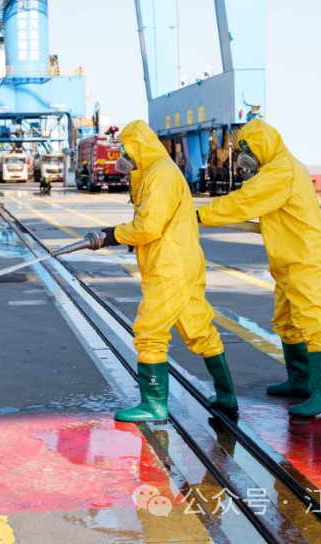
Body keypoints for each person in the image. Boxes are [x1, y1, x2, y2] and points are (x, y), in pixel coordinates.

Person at [90, 120, 237, 422]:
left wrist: (114, 234)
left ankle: (154, 404)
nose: (124, 155)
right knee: (199, 328)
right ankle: (226, 395)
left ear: (138, 146)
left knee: (149, 332)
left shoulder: (159, 174)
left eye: (126, 148)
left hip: (169, 266)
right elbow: (154, 222)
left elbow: (149, 226)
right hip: (182, 261)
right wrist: (132, 237)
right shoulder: (156, 171)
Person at [197, 119, 321, 418]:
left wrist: (199, 214)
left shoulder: (282, 170)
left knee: (312, 322)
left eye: (247, 149)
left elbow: (244, 202)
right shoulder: (276, 169)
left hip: (304, 258)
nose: (244, 156)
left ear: (262, 144)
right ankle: (300, 380)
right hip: (288, 258)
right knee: (287, 321)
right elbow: (252, 203)